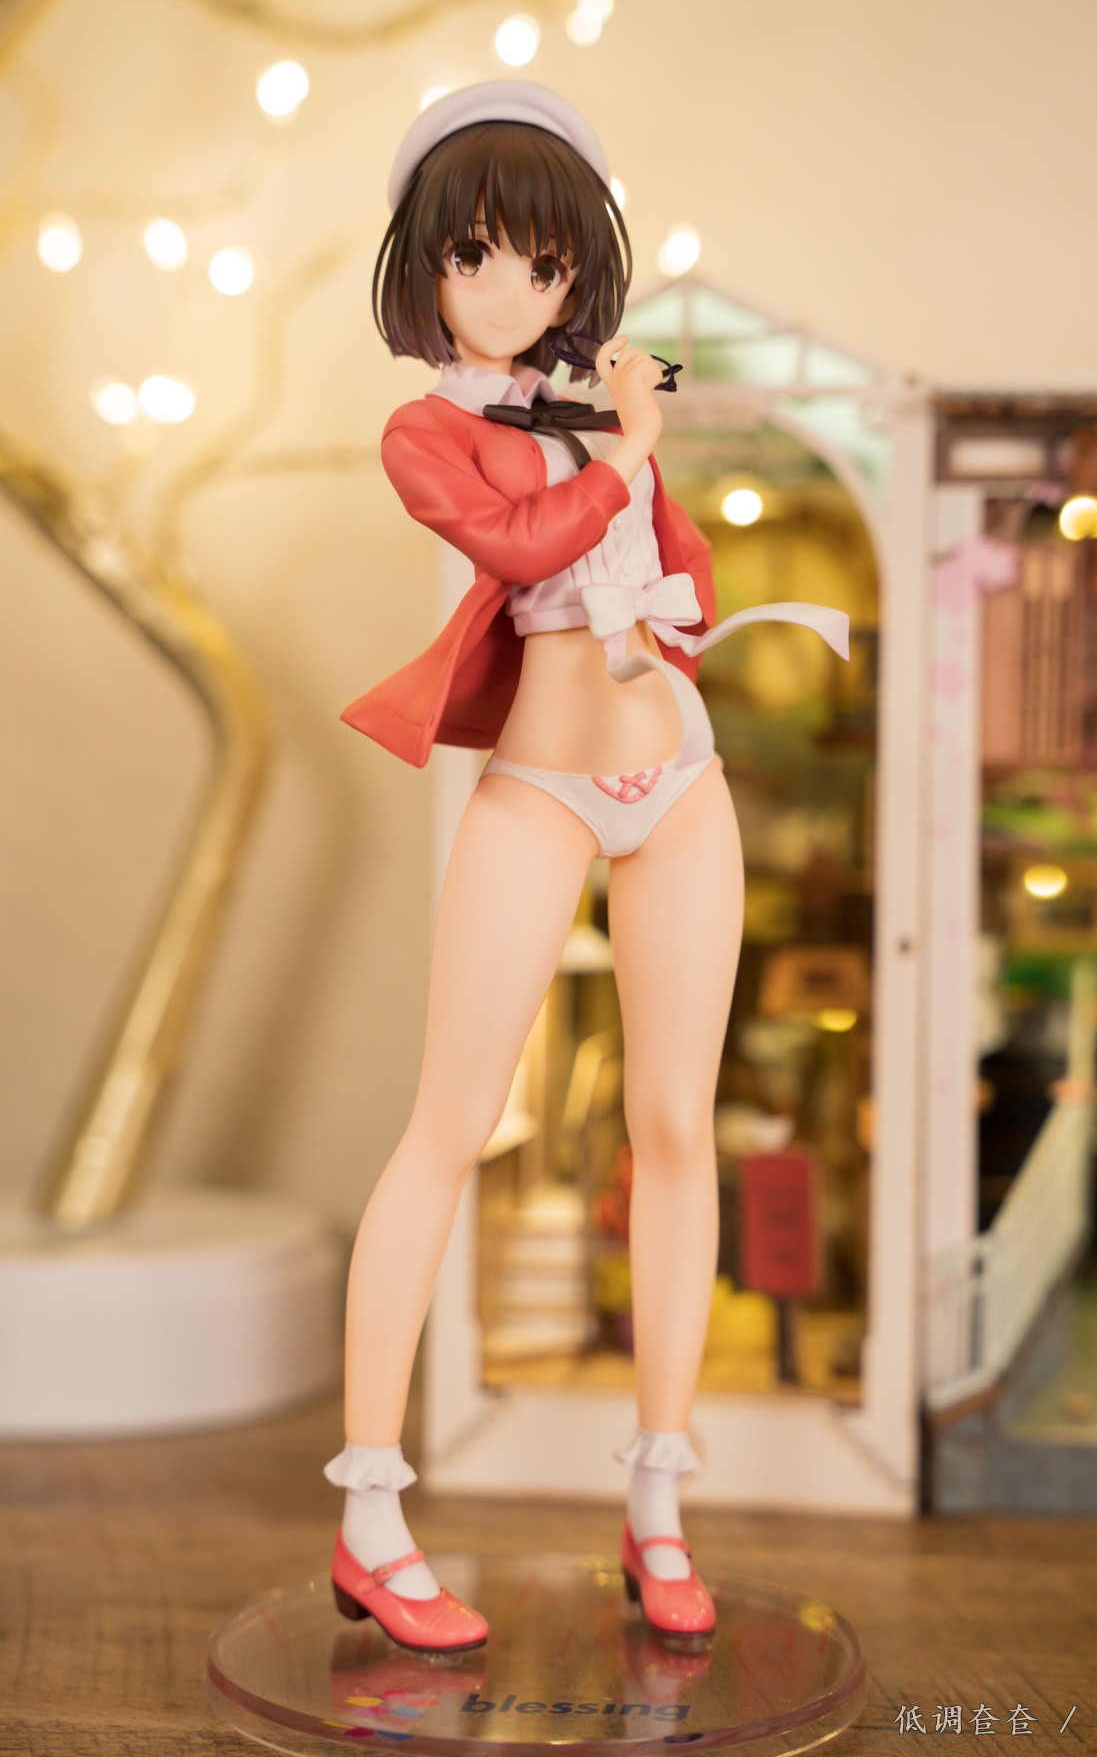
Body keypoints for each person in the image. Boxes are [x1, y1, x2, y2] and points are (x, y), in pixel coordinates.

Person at [322, 81, 850, 1654]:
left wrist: (664, 523)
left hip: (679, 774)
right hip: (541, 785)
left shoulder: (602, 390)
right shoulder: (427, 431)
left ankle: (660, 1502)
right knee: (448, 1124)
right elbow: (527, 548)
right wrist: (625, 455)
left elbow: (669, 470)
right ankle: (368, 1518)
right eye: (475, 255)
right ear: (425, 263)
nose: (511, 291)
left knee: (678, 1125)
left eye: (546, 263)